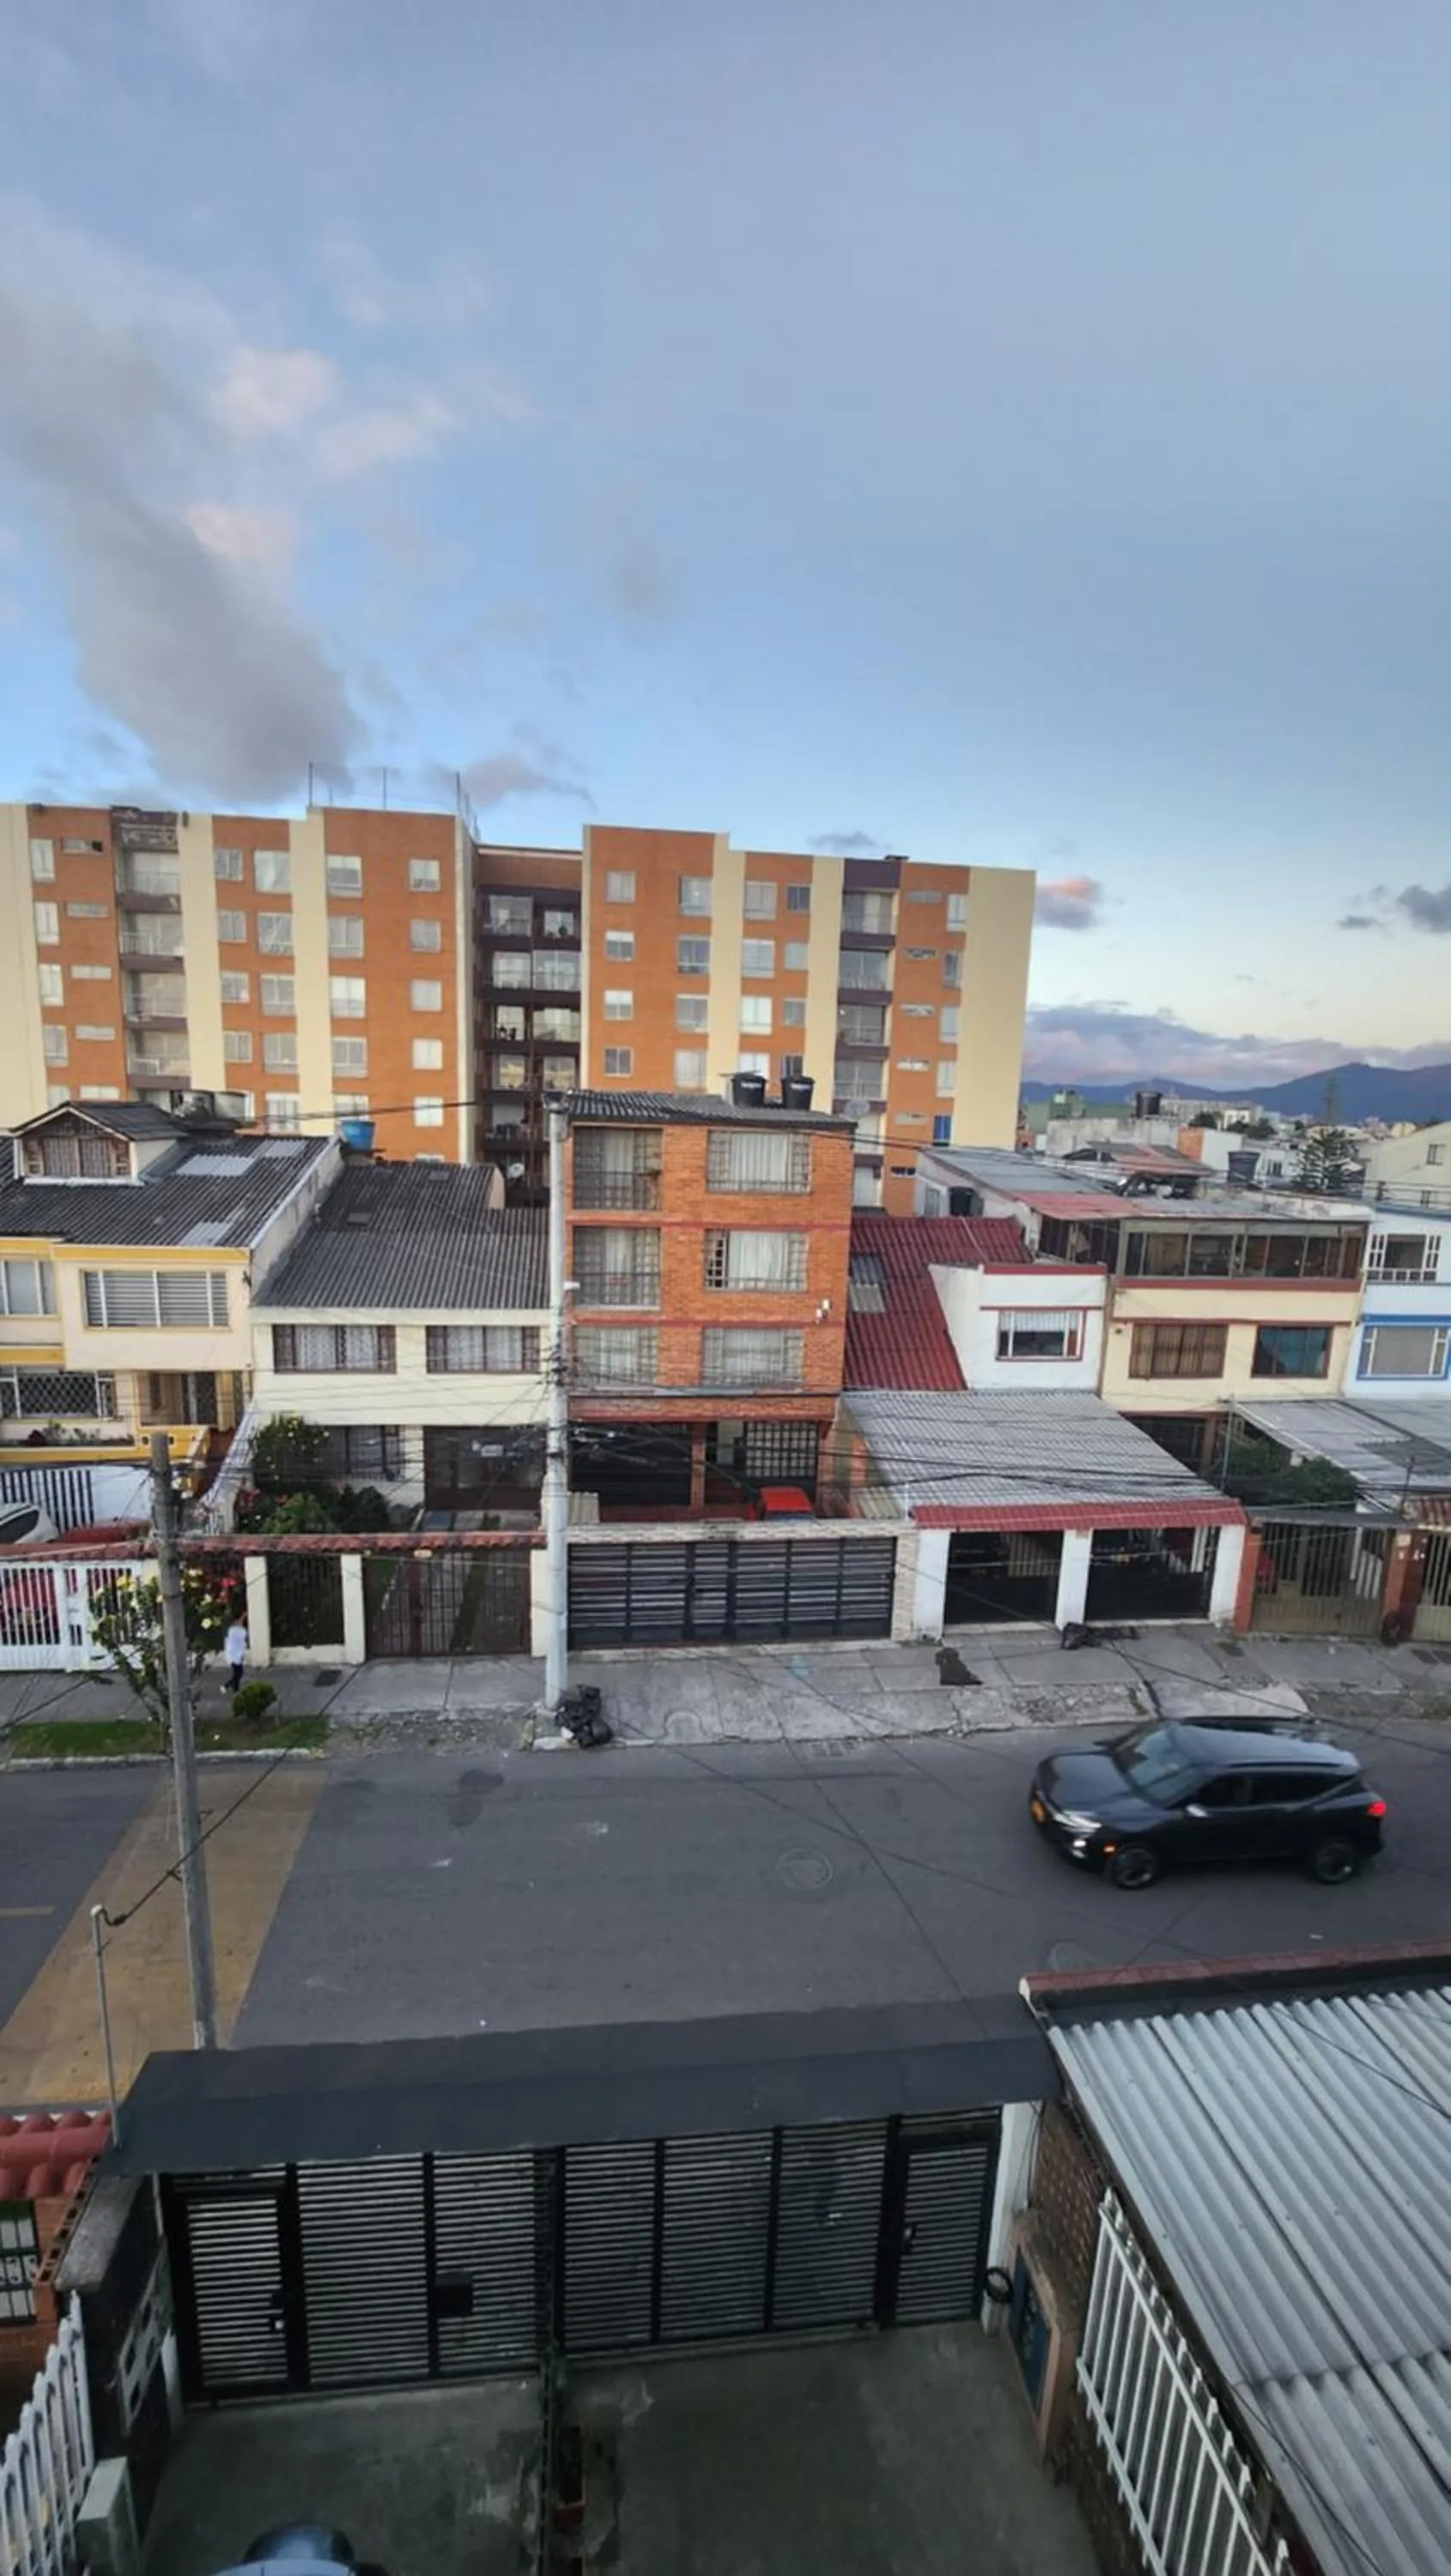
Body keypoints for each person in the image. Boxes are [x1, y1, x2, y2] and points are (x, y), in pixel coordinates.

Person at [224, 1616, 248, 1694]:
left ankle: (235, 1689)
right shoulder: (233, 1632)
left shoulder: (233, 1631)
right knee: (239, 1674)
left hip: (236, 1656)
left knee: (237, 1673)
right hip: (235, 1656)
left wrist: (244, 1616)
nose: (240, 1624)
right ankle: (227, 1686)